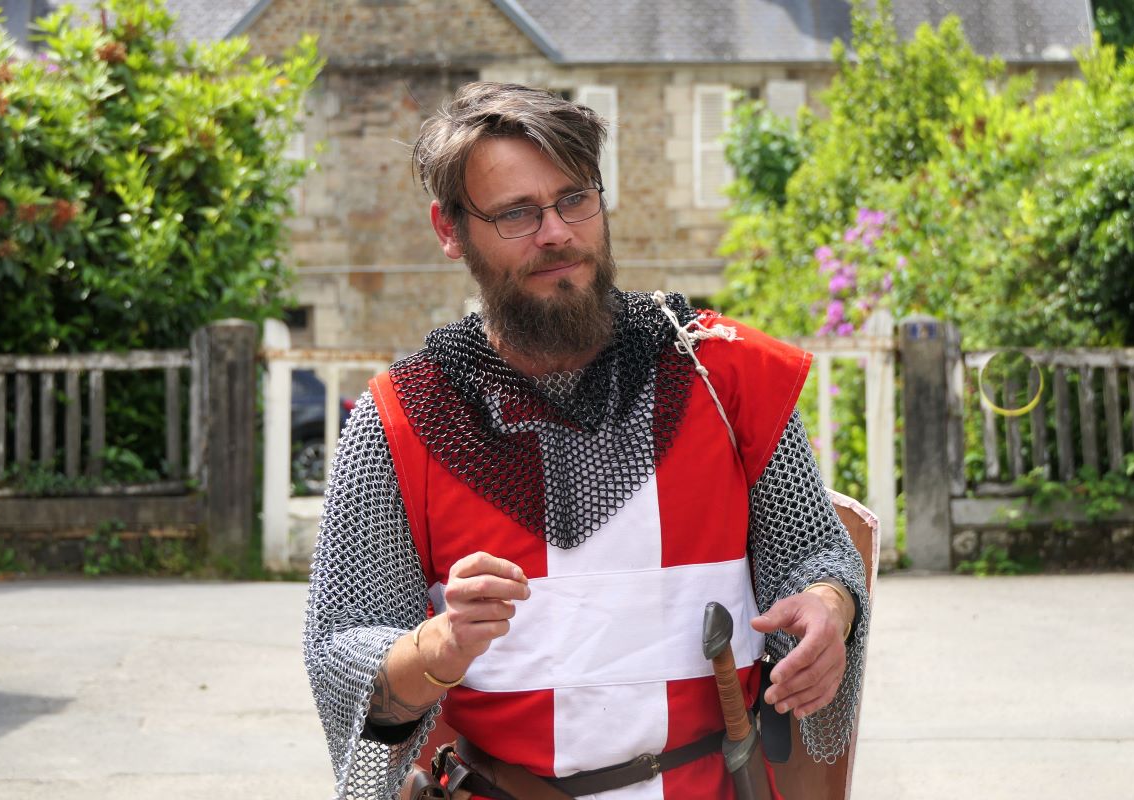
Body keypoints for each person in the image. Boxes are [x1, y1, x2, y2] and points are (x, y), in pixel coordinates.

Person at [304, 82, 869, 800]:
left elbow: (816, 553)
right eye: (516, 214)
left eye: (574, 198)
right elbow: (344, 665)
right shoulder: (403, 424)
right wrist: (437, 648)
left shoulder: (726, 377)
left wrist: (829, 604)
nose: (556, 233)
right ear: (449, 231)